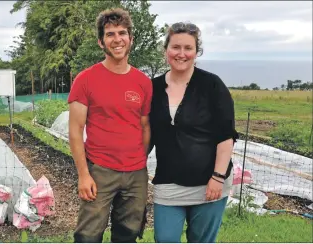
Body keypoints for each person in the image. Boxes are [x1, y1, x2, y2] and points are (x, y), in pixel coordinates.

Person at [68, 8, 152, 243]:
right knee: (88, 235)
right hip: (100, 171)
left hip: (136, 174)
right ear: (101, 42)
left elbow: (145, 127)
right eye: (110, 34)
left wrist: (139, 161)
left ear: (131, 39)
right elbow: (75, 131)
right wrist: (84, 175)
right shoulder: (85, 79)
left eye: (122, 33)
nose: (117, 39)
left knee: (127, 234)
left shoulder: (143, 83)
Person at [149, 22, 238, 243]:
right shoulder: (152, 88)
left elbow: (226, 136)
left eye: (188, 48)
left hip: (208, 184)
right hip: (167, 183)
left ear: (196, 52)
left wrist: (217, 178)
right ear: (166, 50)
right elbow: (146, 133)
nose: (181, 54)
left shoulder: (212, 85)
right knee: (165, 238)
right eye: (175, 47)